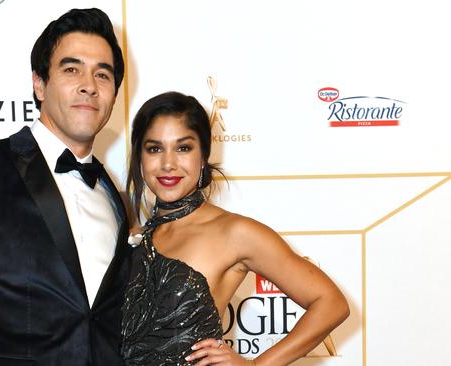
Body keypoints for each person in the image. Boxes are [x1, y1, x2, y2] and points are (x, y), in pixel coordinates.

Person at [0, 8, 131, 365]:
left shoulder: (112, 195)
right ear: (39, 83)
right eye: (71, 68)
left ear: (113, 94)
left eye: (102, 74)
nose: (88, 85)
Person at [121, 91, 349, 365]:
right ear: (140, 157)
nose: (168, 163)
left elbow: (331, 303)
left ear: (203, 155)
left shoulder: (234, 232)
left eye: (183, 148)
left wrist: (255, 365)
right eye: (154, 148)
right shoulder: (136, 236)